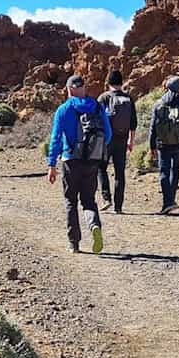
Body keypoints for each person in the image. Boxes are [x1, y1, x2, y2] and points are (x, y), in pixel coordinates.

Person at [47, 74, 112, 254]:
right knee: (89, 201)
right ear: (84, 88)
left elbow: (56, 138)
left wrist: (51, 164)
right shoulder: (98, 107)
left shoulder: (64, 109)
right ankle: (94, 226)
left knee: (70, 201)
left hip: (70, 160)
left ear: (69, 90)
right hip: (92, 162)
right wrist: (94, 150)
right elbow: (108, 135)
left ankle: (73, 243)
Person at [148, 74, 179, 214]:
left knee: (164, 171)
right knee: (175, 170)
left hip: (163, 144)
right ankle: (171, 200)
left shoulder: (159, 103)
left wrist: (151, 145)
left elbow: (153, 126)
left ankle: (167, 202)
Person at [96, 69, 136, 213]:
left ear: (108, 83)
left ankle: (107, 199)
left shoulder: (104, 98)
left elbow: (97, 120)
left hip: (107, 140)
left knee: (101, 168)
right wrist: (131, 140)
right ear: (121, 82)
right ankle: (118, 206)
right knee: (120, 172)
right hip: (122, 139)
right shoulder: (128, 98)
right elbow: (133, 122)